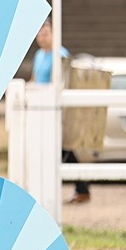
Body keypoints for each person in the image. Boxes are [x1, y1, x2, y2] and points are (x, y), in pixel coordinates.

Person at [32, 20, 89, 204]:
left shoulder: (61, 55)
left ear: (53, 33)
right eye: (39, 34)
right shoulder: (38, 55)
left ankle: (81, 187)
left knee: (62, 149)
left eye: (46, 33)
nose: (42, 37)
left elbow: (64, 82)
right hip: (40, 109)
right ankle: (81, 188)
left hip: (54, 109)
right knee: (61, 149)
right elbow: (35, 78)